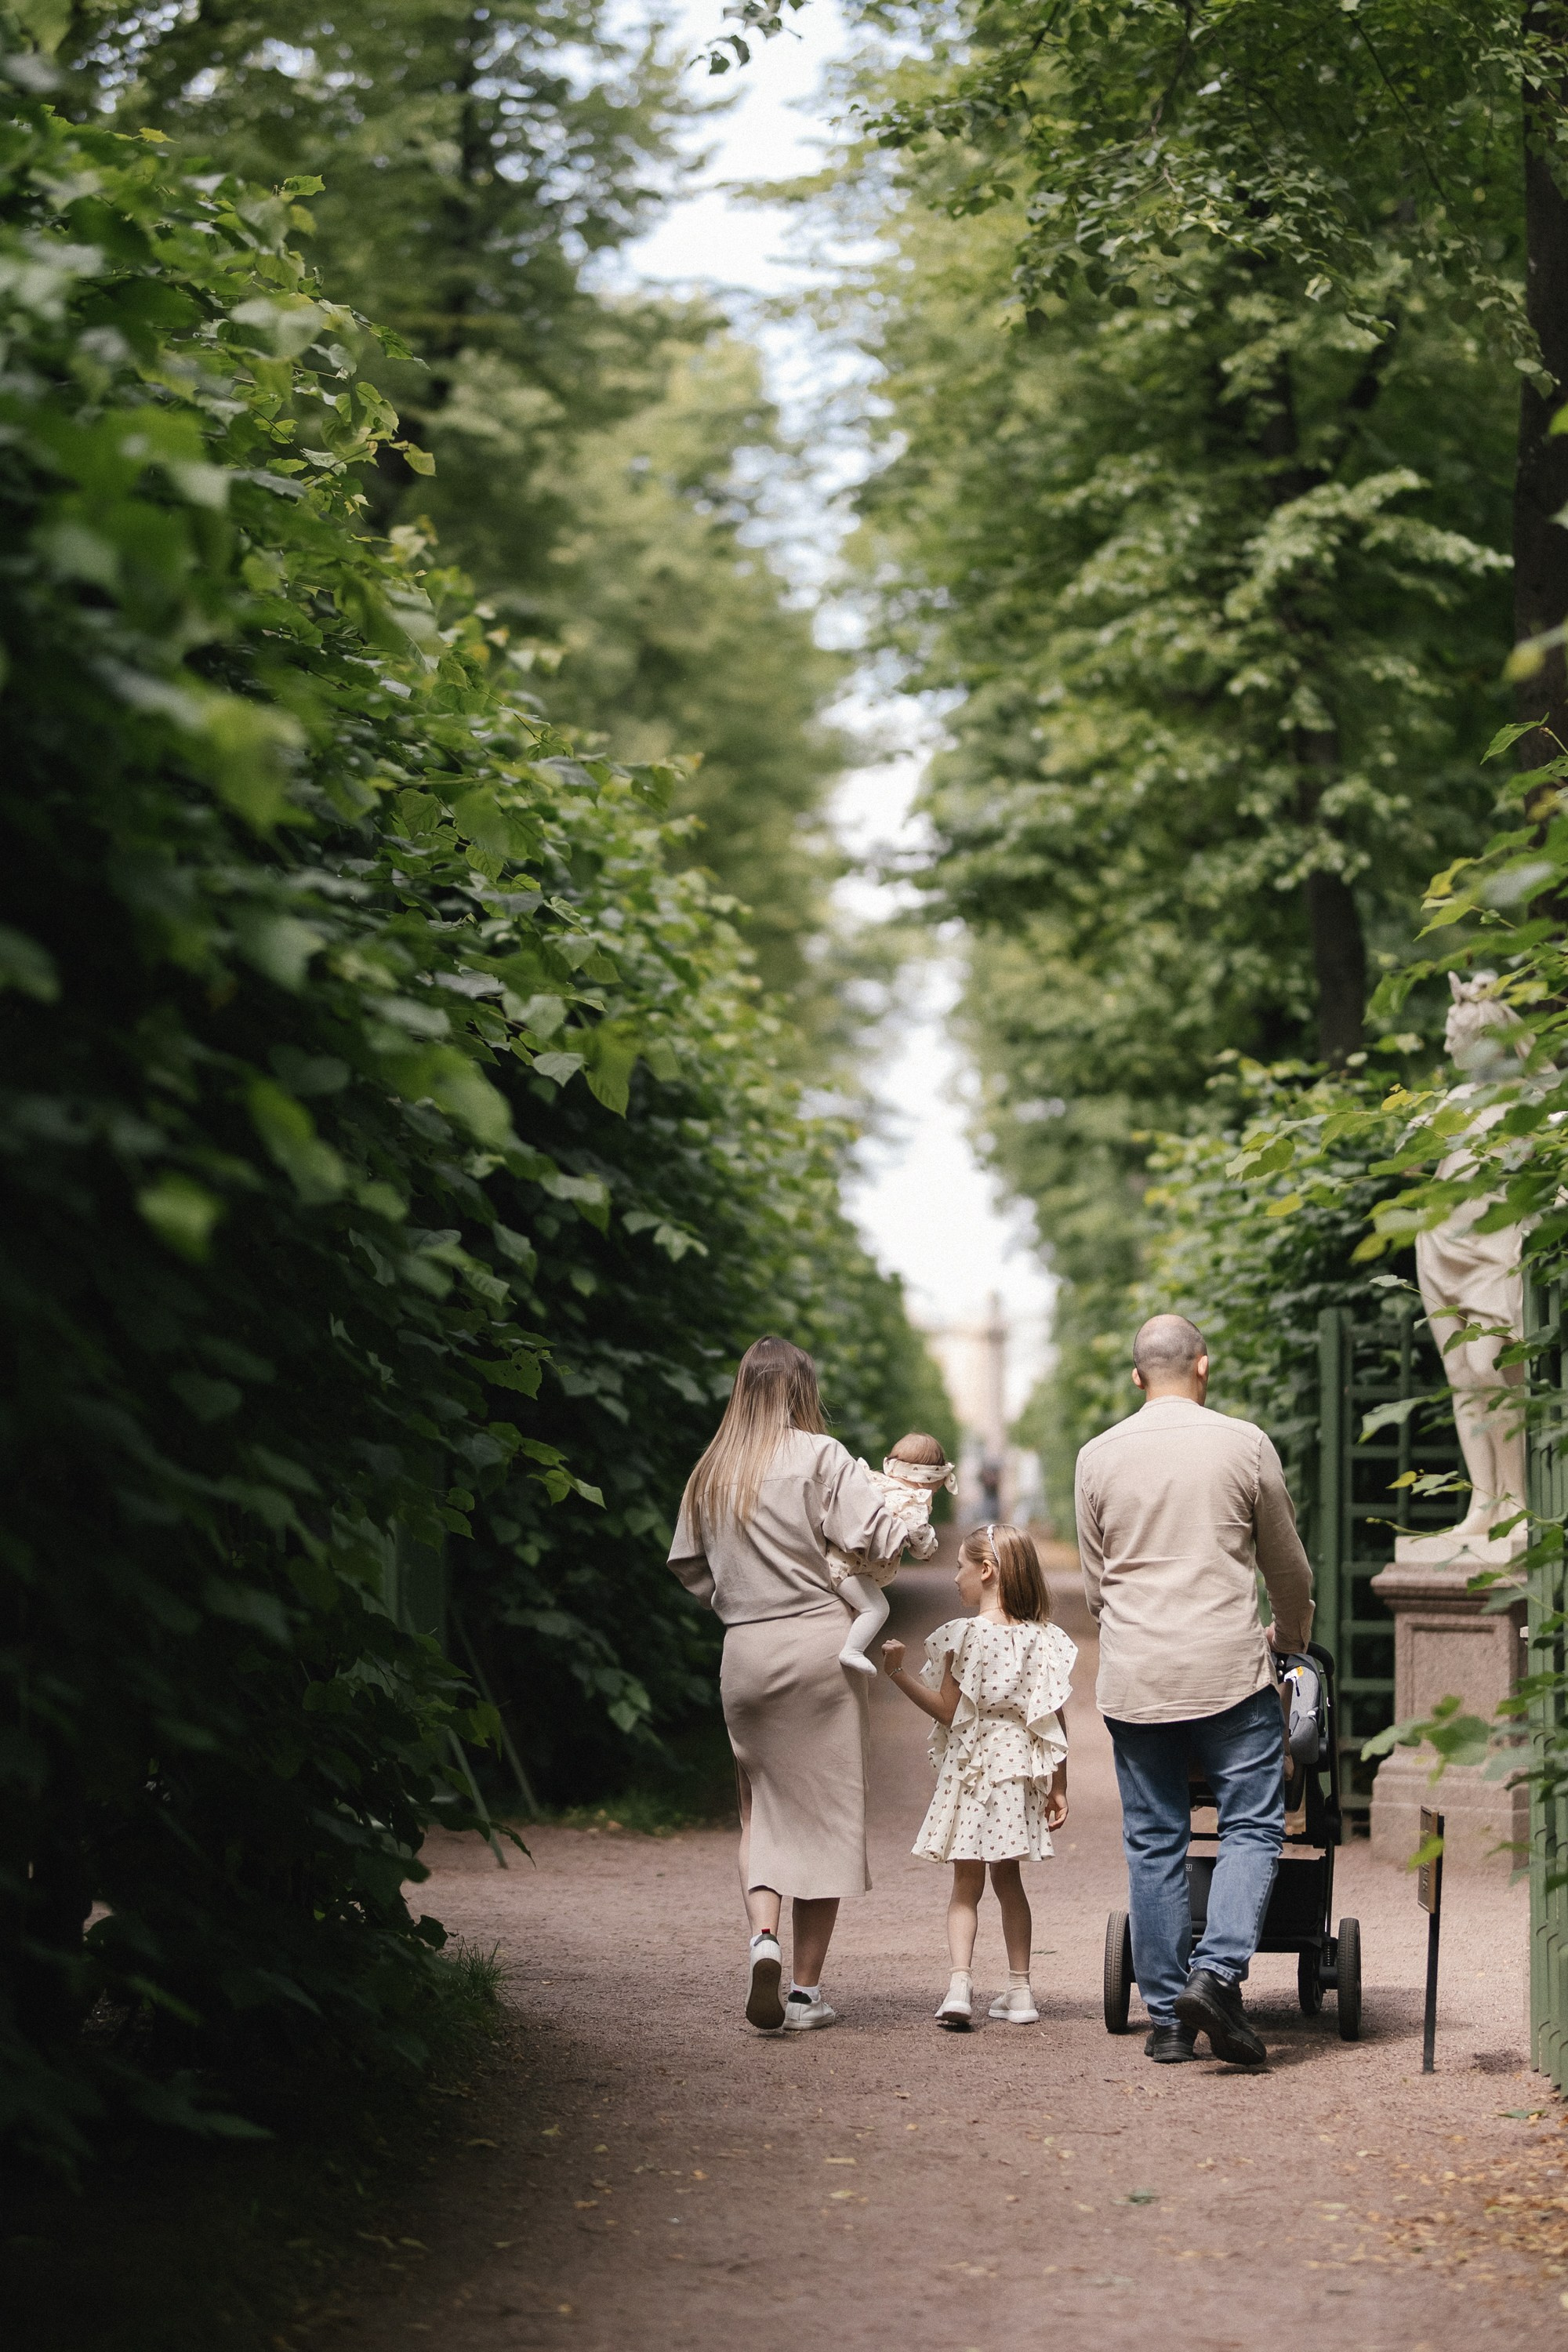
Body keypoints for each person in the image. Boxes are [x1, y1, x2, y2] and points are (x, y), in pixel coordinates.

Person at [1074, 1314, 1314, 2067]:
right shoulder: (1244, 1444)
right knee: (1252, 1823)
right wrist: (1293, 1641)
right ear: (1203, 1367)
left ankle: (1169, 2022)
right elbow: (1289, 1571)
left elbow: (1095, 1588)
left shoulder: (1096, 1457)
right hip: (1225, 1672)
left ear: (1138, 1377)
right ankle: (1216, 1975)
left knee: (1155, 1839)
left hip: (1137, 1677)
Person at [667, 1335, 913, 2034]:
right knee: (828, 1819)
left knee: (759, 1809)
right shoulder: (822, 1456)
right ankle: (805, 1994)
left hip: (745, 1651)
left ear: (743, 1388)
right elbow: (875, 1539)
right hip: (822, 1647)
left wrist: (739, 1604)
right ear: (802, 1389)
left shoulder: (711, 1470)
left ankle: (762, 1938)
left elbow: (687, 1564)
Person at [880, 1524, 1076, 2031]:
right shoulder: (1043, 1641)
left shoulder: (960, 1636)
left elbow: (947, 1711)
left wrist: (898, 1673)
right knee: (1009, 1881)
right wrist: (1059, 1785)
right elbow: (1052, 1716)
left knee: (964, 1886)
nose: (955, 1578)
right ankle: (1020, 1989)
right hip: (1017, 1768)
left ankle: (960, 1985)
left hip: (972, 1766)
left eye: (961, 1567)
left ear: (985, 1571)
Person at [826, 1430, 955, 1675]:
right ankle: (852, 1650)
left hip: (836, 1558)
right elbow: (919, 1534)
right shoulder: (910, 1502)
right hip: (851, 1571)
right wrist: (929, 1548)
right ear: (926, 1482)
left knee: (850, 1612)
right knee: (876, 1609)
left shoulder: (873, 1484)